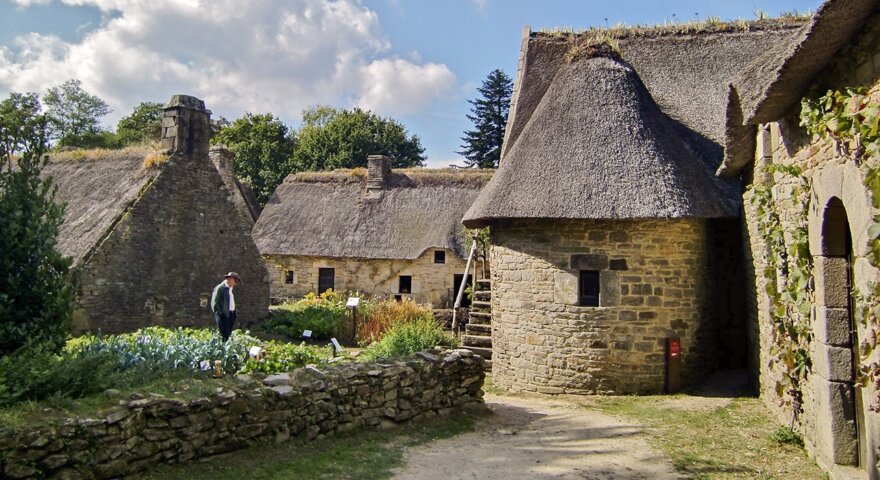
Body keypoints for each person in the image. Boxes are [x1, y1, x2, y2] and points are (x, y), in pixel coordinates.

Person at [211, 272, 240, 342]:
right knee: (225, 334)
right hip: (223, 315)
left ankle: (226, 347)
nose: (235, 283)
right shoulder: (220, 288)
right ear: (230, 279)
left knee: (228, 333)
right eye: (235, 281)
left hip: (231, 314)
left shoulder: (230, 288)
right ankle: (223, 347)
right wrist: (221, 313)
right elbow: (215, 303)